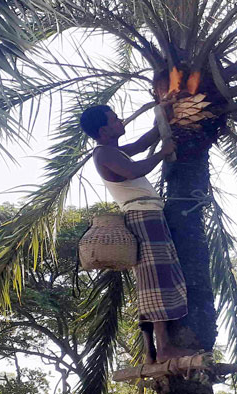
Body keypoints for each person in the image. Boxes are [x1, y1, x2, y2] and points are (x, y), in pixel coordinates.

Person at [79, 105, 195, 364]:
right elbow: (134, 171)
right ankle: (163, 348)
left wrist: (163, 120)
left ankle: (153, 350)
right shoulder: (104, 154)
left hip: (148, 214)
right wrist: (163, 153)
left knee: (156, 275)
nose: (121, 120)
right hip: (143, 216)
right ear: (104, 130)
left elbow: (142, 144)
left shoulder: (113, 150)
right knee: (156, 276)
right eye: (115, 119)